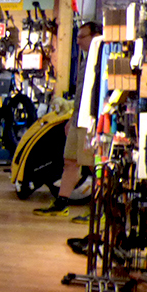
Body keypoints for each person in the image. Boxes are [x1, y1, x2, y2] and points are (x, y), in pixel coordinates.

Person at [33, 21, 100, 217]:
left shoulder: (101, 61)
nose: (77, 41)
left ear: (95, 36)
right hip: (79, 119)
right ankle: (61, 203)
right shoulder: (84, 61)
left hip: (91, 122)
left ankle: (100, 209)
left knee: (93, 165)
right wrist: (72, 117)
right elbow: (81, 94)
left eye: (82, 37)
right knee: (70, 161)